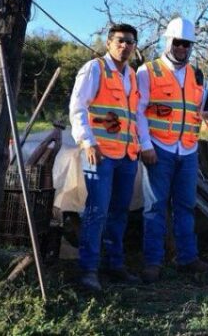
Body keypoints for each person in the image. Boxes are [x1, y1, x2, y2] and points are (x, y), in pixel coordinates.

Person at [137, 16, 208, 283]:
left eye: (187, 44)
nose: (183, 48)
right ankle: (153, 262)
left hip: (188, 150)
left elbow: (202, 109)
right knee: (155, 206)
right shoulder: (148, 71)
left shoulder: (196, 74)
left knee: (185, 206)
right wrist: (145, 144)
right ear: (168, 41)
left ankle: (187, 258)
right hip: (158, 148)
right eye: (178, 43)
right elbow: (138, 111)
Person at [69, 23, 142, 291]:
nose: (125, 46)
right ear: (109, 43)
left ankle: (115, 264)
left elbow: (134, 116)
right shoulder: (94, 69)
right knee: (96, 211)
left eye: (130, 42)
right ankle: (88, 270)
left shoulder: (132, 76)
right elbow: (77, 108)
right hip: (98, 154)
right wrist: (87, 142)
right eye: (120, 41)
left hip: (126, 154)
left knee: (119, 212)